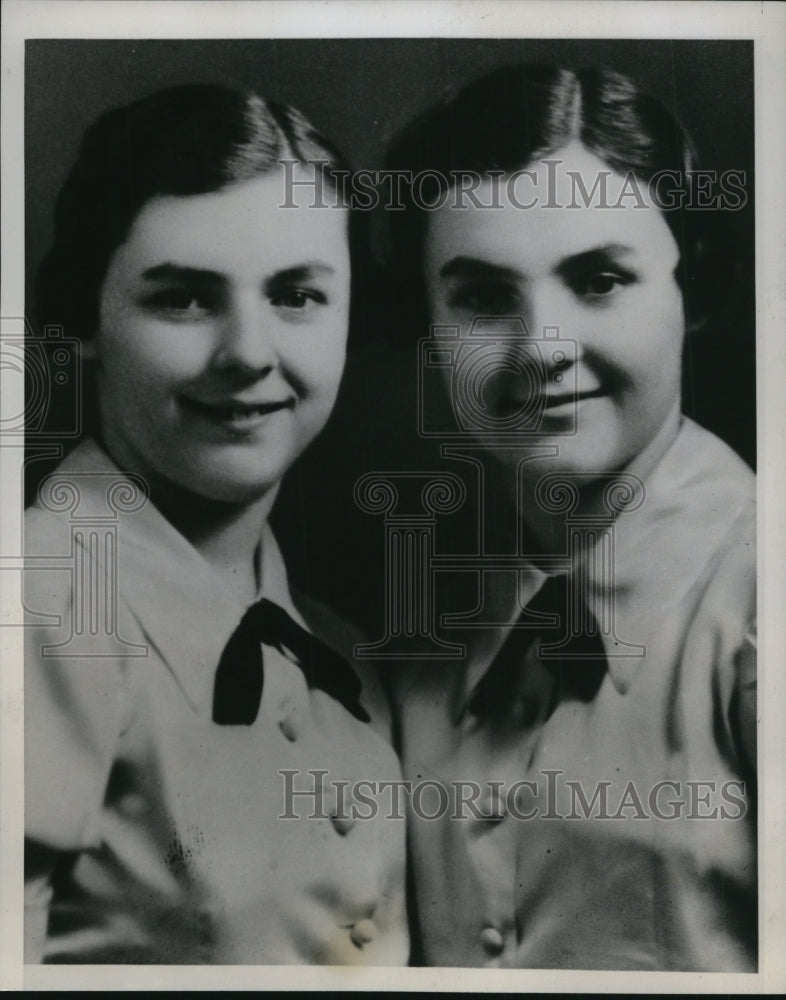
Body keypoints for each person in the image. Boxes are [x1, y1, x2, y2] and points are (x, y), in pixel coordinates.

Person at [382, 64, 756, 970]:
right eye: (481, 297)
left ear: (691, 293)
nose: (542, 349)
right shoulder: (423, 638)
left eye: (598, 279)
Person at [23, 84, 407, 965]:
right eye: (185, 299)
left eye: (298, 295)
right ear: (83, 318)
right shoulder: (44, 599)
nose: (248, 352)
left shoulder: (338, 651)